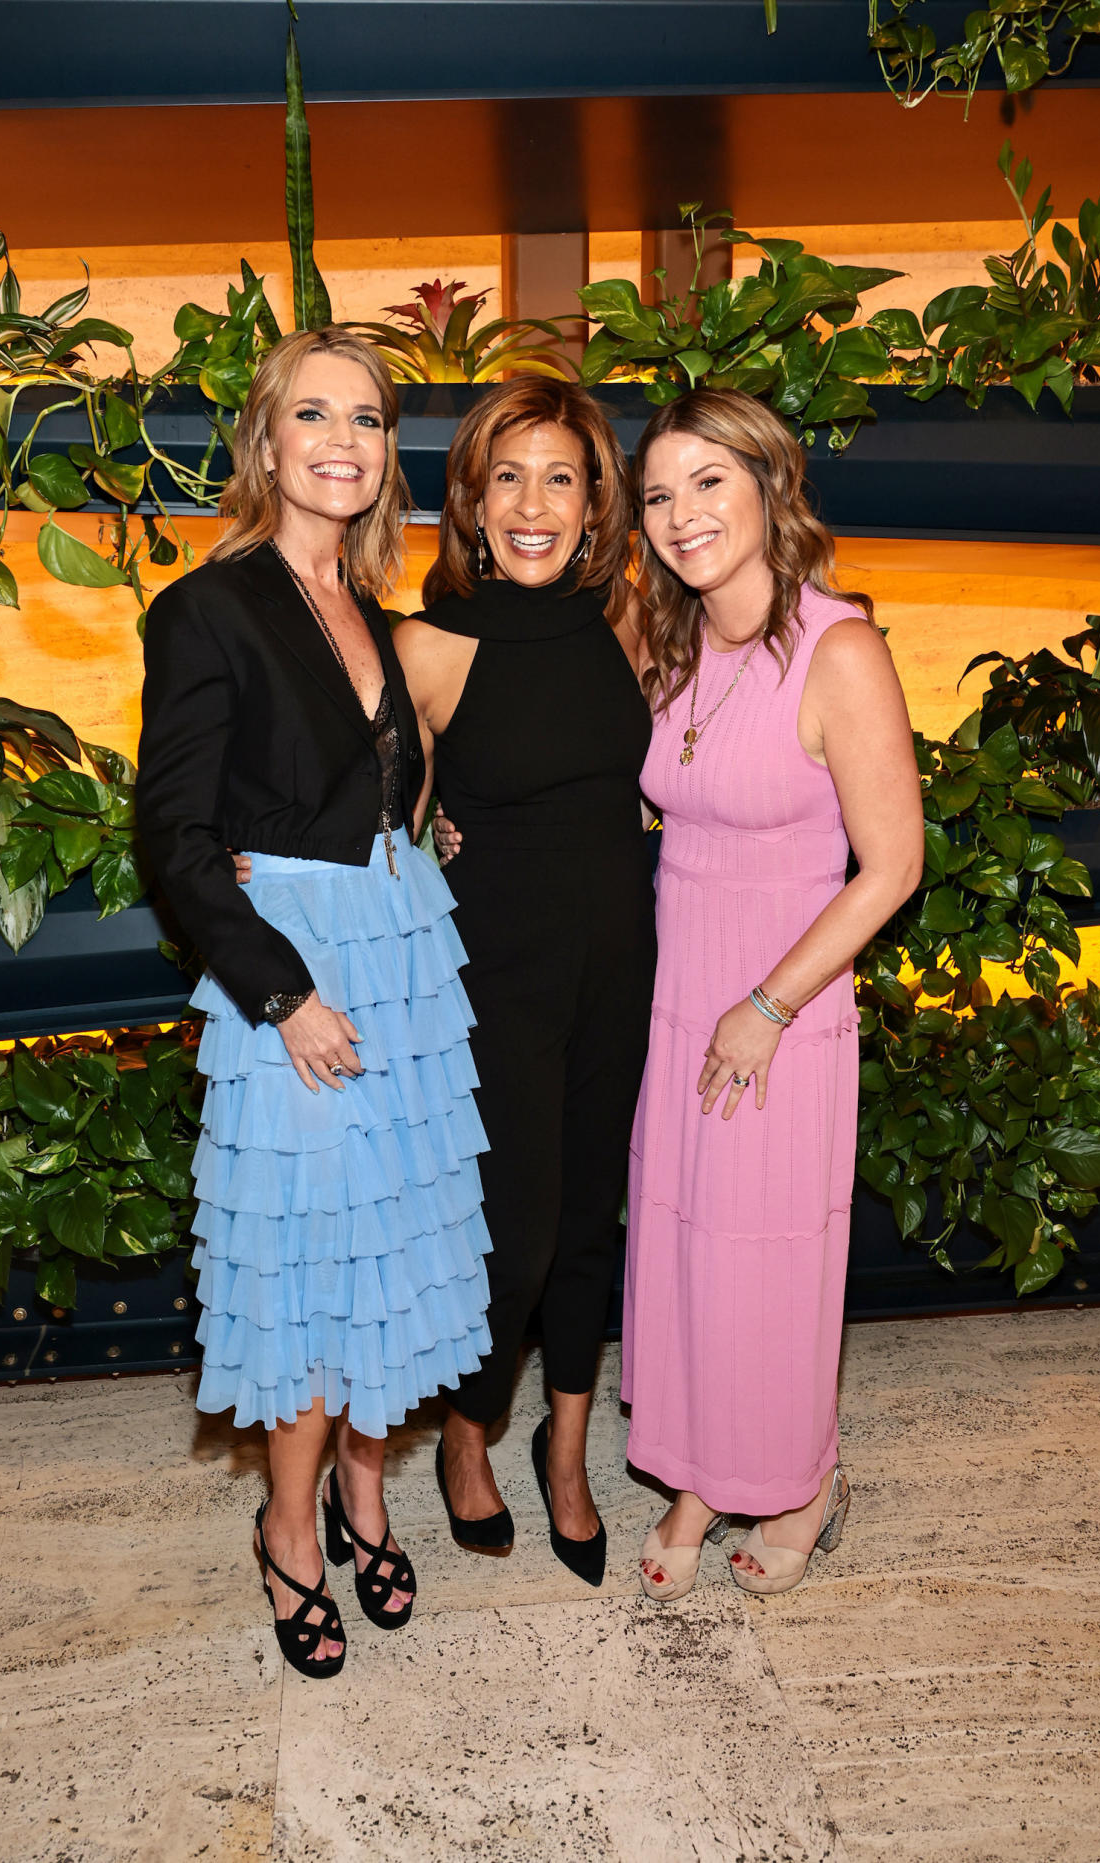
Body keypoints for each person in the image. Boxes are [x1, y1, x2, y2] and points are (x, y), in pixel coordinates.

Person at [136, 328, 492, 1678]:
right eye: (311, 414)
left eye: (363, 416)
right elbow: (172, 834)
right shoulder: (207, 606)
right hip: (294, 974)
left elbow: (357, 779)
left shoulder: (359, 598)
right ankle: (289, 1530)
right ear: (266, 441)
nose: (339, 439)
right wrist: (282, 993)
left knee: (389, 1247)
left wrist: (419, 833)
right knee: (301, 1265)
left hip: (398, 951)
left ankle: (362, 1490)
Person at [624, 387, 924, 1599]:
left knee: (764, 1257)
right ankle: (705, 1467)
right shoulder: (664, 637)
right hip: (680, 988)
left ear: (768, 485)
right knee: (689, 1244)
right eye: (658, 493)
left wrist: (770, 1003)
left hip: (781, 1002)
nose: (683, 514)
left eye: (709, 482)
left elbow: (894, 864)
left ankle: (801, 1478)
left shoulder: (838, 647)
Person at [400, 377, 656, 1585]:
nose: (534, 503)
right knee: (517, 1234)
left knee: (591, 1217)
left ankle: (565, 1454)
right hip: (496, 978)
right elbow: (372, 825)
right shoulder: (433, 645)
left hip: (622, 963)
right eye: (509, 477)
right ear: (472, 499)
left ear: (598, 499)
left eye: (562, 476)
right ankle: (467, 1437)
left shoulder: (632, 622)